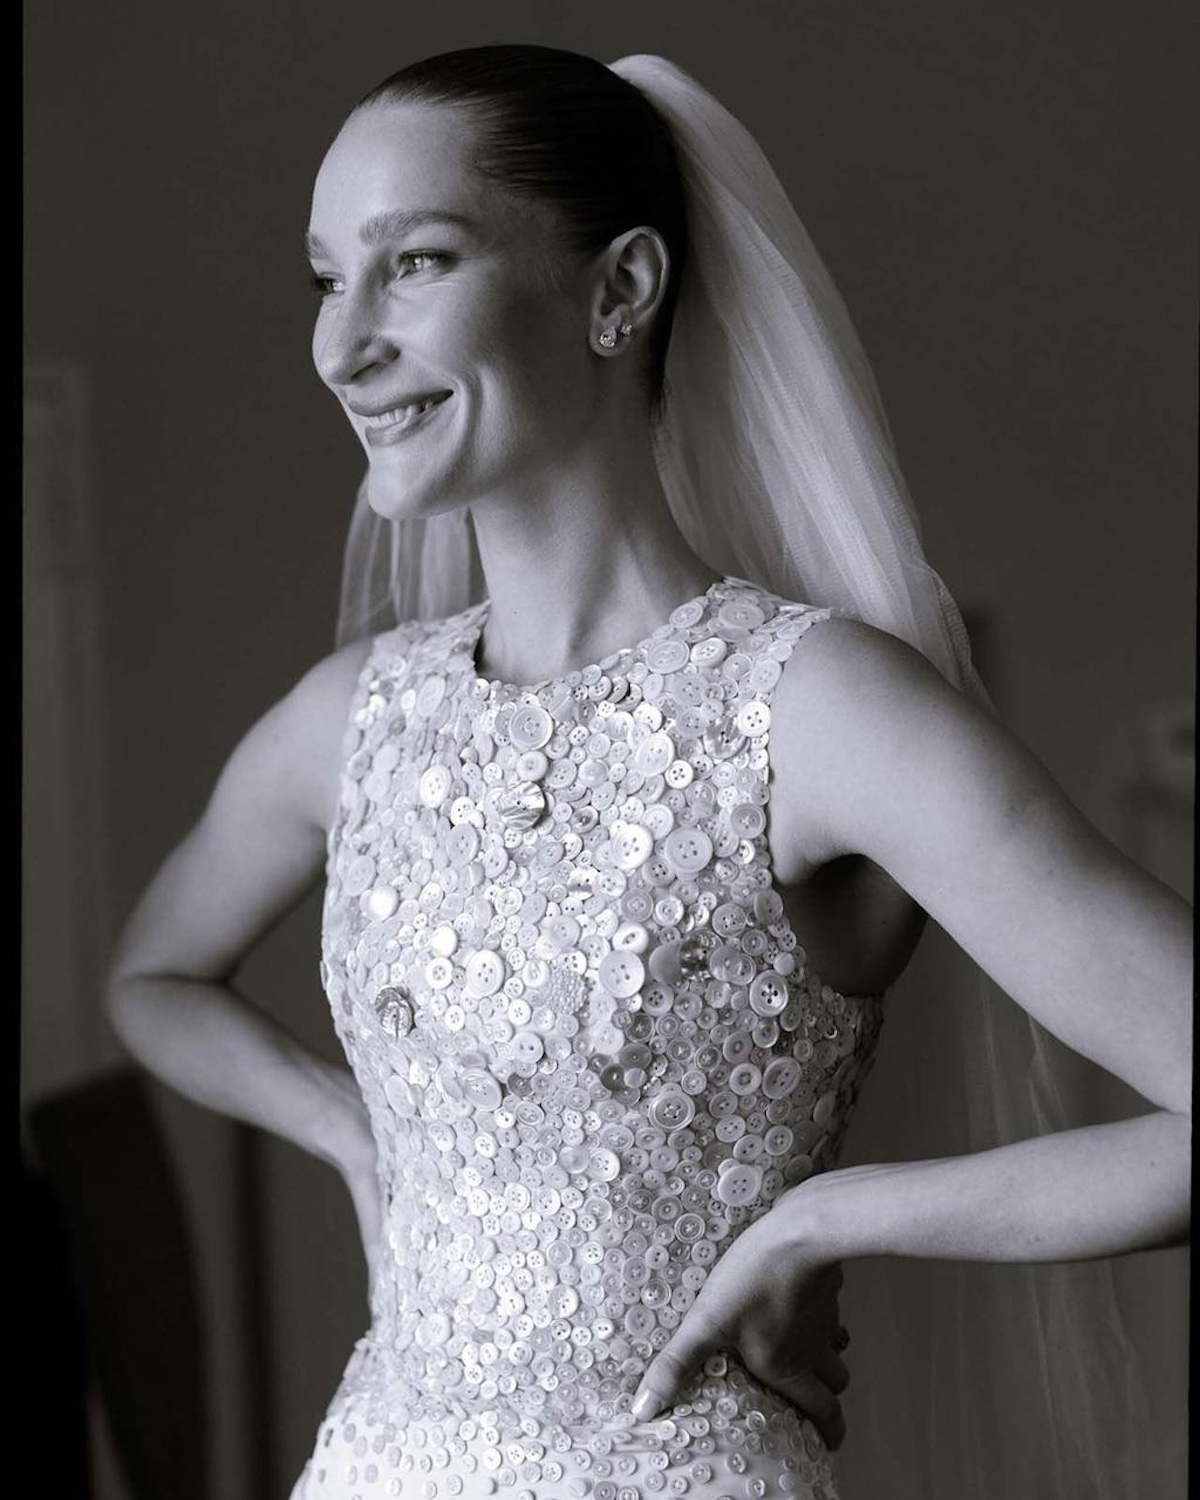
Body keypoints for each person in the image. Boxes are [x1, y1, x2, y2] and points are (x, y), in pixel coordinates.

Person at [104, 44, 1190, 1500]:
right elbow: (152, 977)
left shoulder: (818, 711)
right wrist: (353, 1136)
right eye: (324, 277)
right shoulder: (354, 718)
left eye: (413, 264)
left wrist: (818, 1223)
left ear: (619, 290)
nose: (340, 346)